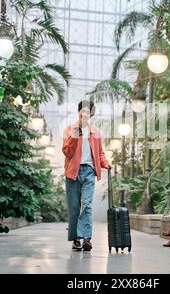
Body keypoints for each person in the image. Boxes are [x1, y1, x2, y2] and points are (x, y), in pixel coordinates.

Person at [62, 100, 111, 251]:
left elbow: (100, 152)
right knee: (74, 207)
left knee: (88, 205)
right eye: (82, 111)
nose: (85, 114)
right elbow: (67, 152)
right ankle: (76, 239)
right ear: (79, 112)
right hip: (73, 172)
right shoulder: (70, 129)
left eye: (88, 112)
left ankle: (87, 238)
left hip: (89, 171)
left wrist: (105, 163)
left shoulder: (95, 132)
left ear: (91, 114)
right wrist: (77, 134)